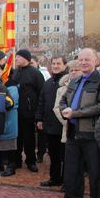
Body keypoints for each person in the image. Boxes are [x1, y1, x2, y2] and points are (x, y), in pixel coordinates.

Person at [55, 48, 100, 198]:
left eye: (87, 59)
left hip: (92, 134)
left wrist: (76, 113)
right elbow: (64, 99)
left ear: (96, 60)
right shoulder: (75, 80)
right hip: (73, 133)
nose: (84, 62)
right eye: (81, 59)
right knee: (71, 171)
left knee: (96, 174)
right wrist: (65, 109)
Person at [11, 49, 45, 173]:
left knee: (29, 139)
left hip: (30, 112)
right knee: (17, 138)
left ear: (25, 58)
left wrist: (38, 113)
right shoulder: (15, 73)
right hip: (16, 112)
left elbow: (41, 93)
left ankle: (31, 161)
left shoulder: (35, 73)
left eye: (18, 57)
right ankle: (16, 161)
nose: (16, 60)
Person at [36, 56, 68, 187]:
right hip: (49, 124)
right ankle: (54, 178)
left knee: (65, 156)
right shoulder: (48, 82)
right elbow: (41, 101)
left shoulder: (67, 82)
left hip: (63, 125)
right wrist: (39, 118)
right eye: (53, 63)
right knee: (53, 154)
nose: (55, 66)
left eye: (58, 63)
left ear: (64, 65)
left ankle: (66, 181)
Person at [0, 80, 19, 177]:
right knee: (0, 143)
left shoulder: (13, 88)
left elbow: (11, 103)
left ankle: (11, 166)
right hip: (2, 118)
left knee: (10, 144)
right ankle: (0, 164)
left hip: (9, 118)